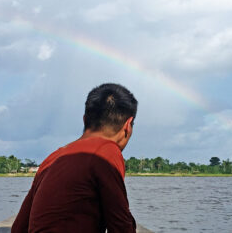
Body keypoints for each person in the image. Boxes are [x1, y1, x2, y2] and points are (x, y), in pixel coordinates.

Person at [12, 83, 138, 233]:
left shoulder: (53, 158)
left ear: (85, 120)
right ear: (127, 126)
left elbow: (19, 228)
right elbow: (121, 227)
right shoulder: (107, 151)